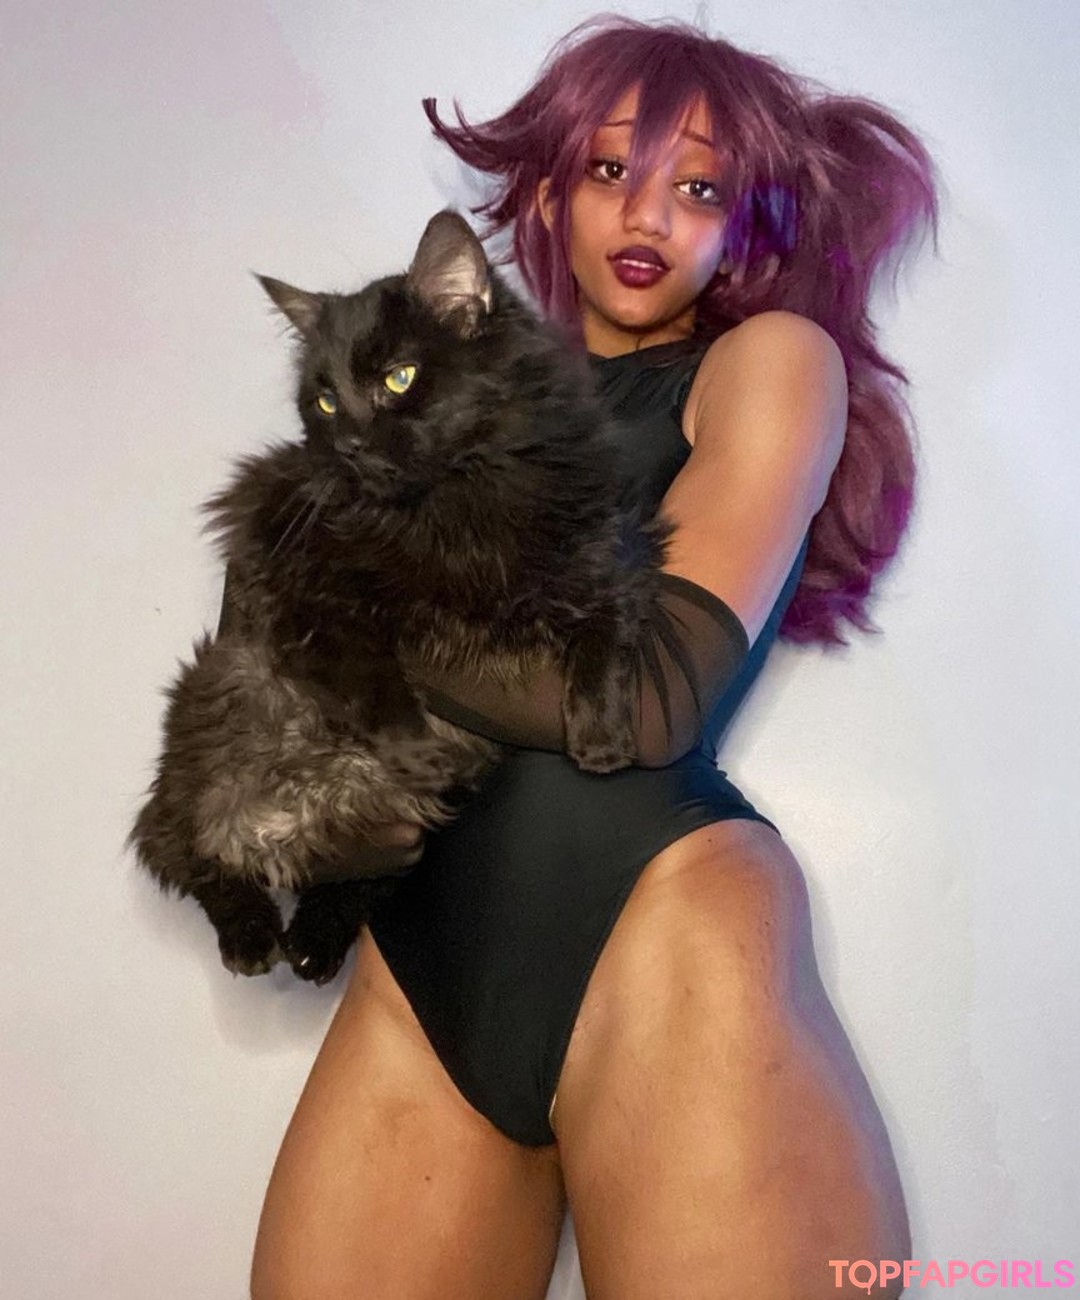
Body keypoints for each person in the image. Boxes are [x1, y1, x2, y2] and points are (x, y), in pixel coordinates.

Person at [250, 16, 936, 1299]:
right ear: (551, 189)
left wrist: (348, 609)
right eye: (613, 169)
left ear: (747, 226)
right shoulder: (456, 404)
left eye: (701, 189)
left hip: (663, 931)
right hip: (422, 967)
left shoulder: (765, 363)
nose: (649, 214)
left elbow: (651, 691)